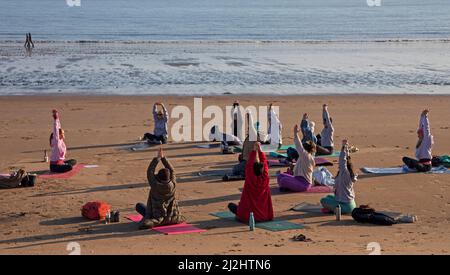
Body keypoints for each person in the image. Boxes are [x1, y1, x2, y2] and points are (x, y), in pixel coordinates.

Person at [135, 147, 185, 229]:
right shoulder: (173, 184)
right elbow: (172, 170)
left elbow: (150, 171)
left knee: (139, 206)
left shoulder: (155, 186)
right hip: (172, 217)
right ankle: (160, 221)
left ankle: (151, 222)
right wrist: (163, 158)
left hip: (157, 217)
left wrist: (158, 158)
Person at [228, 142, 273, 223]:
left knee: (231, 206)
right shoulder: (265, 178)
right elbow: (264, 164)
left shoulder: (250, 178)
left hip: (248, 216)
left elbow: (249, 165)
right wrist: (259, 151)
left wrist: (254, 151)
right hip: (264, 215)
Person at [320, 139, 357, 214]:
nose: (339, 165)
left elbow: (343, 160)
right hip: (351, 203)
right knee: (328, 197)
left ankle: (334, 209)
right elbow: (346, 159)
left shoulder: (345, 172)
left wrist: (343, 147)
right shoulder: (348, 173)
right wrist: (346, 149)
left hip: (346, 206)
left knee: (323, 200)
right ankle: (333, 208)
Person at [277, 125, 316, 192]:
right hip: (297, 179)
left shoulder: (307, 156)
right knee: (280, 176)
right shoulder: (304, 156)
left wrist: (295, 133)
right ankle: (287, 186)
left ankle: (286, 186)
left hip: (304, 184)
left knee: (283, 180)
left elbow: (298, 145)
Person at [228, 112, 258, 179]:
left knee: (235, 169)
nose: (248, 130)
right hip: (246, 161)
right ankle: (245, 172)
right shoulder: (248, 138)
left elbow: (251, 126)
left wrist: (249, 117)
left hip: (251, 162)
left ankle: (245, 173)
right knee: (236, 169)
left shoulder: (254, 137)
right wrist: (242, 156)